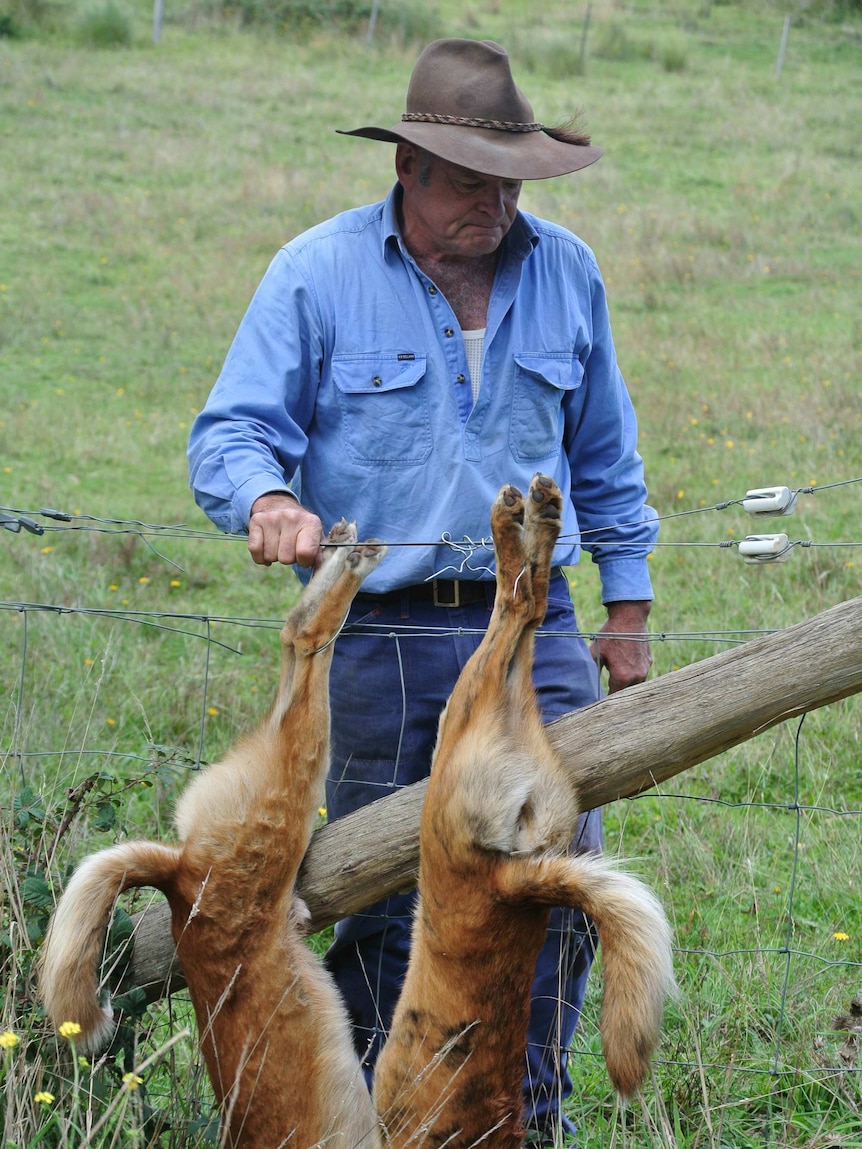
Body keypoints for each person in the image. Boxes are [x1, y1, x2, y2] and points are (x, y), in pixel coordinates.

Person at [188, 37, 657, 1146]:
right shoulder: (317, 272)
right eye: (463, 183)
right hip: (378, 644)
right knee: (375, 894)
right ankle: (374, 1118)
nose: (488, 208)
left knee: (548, 888)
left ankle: (520, 1119)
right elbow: (234, 432)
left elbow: (605, 458)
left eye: (505, 185)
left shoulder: (567, 273)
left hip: (531, 632)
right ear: (406, 167)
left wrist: (626, 611)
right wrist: (267, 502)